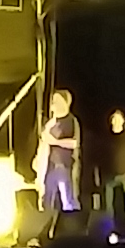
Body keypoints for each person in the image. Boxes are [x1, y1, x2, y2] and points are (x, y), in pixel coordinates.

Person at [37, 88, 81, 237]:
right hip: (50, 167)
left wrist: (55, 141)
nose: (53, 103)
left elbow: (74, 143)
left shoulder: (71, 121)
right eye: (53, 101)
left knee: (68, 200)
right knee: (47, 200)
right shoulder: (51, 123)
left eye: (57, 100)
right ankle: (45, 233)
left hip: (65, 166)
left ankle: (71, 233)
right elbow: (44, 139)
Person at [96, 106, 125, 239]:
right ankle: (109, 229)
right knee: (108, 206)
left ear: (123, 121)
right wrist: (97, 175)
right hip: (108, 176)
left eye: (118, 119)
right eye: (114, 119)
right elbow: (98, 158)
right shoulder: (105, 137)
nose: (116, 122)